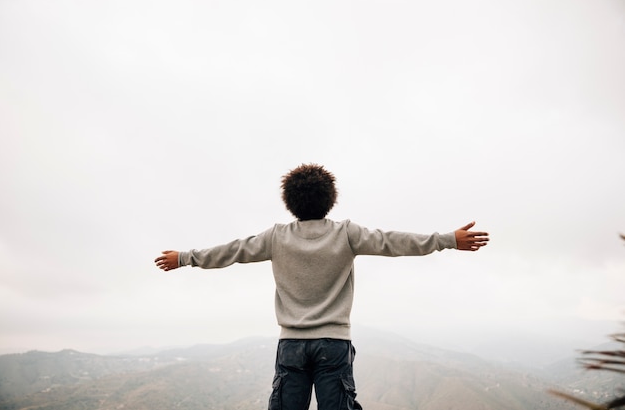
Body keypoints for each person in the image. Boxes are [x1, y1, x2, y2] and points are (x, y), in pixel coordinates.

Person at [155, 163, 489, 410]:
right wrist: (447, 240)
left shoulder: (276, 237)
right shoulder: (346, 233)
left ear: (290, 202)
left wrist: (184, 257)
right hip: (333, 344)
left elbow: (231, 251)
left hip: (291, 347)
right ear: (330, 199)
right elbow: (394, 242)